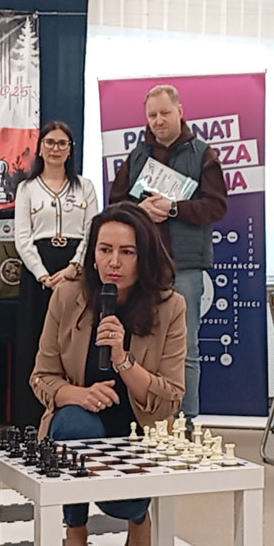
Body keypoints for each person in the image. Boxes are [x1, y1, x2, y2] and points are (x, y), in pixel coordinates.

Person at [31, 202, 187, 546]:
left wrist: (123, 359)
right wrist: (76, 394)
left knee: (122, 502)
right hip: (82, 422)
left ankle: (138, 516)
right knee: (72, 426)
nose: (113, 262)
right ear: (92, 253)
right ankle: (76, 531)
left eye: (127, 251)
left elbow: (171, 397)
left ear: (144, 256)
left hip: (139, 427)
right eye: (105, 250)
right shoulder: (67, 295)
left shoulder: (170, 306)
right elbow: (41, 377)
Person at [108, 85, 227, 422]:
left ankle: (186, 420)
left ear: (180, 111)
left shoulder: (203, 154)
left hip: (185, 265)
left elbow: (217, 206)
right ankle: (143, 416)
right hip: (142, 264)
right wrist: (139, 209)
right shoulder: (137, 156)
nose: (158, 120)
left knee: (187, 346)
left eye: (164, 113)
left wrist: (175, 208)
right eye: (152, 115)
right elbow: (115, 203)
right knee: (140, 339)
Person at [12, 121, 98, 425]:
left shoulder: (85, 187)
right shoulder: (27, 188)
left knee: (73, 339)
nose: (55, 149)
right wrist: (42, 275)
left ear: (70, 150)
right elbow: (22, 237)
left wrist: (74, 267)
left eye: (62, 143)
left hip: (75, 271)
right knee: (36, 341)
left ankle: (71, 410)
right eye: (50, 142)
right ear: (40, 148)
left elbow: (91, 232)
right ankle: (30, 418)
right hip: (39, 274)